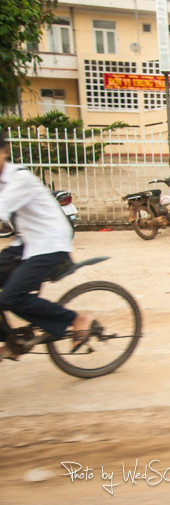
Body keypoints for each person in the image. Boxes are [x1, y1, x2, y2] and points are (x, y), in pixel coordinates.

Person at [0, 130, 90, 353]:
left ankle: (76, 319)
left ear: (3, 152)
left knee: (11, 298)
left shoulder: (19, 178)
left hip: (49, 244)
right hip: (25, 244)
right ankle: (10, 340)